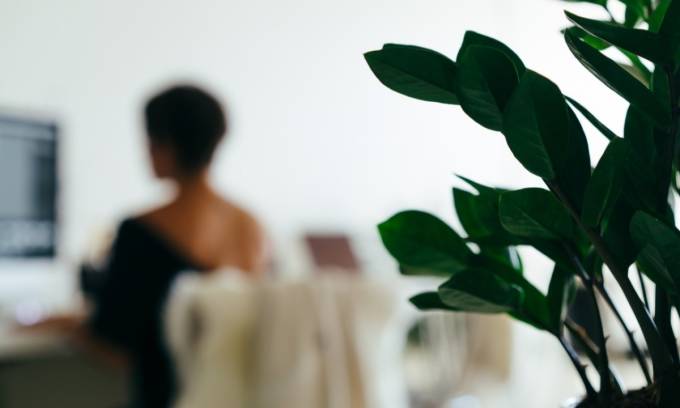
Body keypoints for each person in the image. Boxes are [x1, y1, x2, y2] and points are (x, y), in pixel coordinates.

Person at [26, 85, 267, 408]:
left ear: (164, 145)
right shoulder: (250, 226)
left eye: (149, 141)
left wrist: (69, 327)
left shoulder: (140, 231)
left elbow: (113, 350)